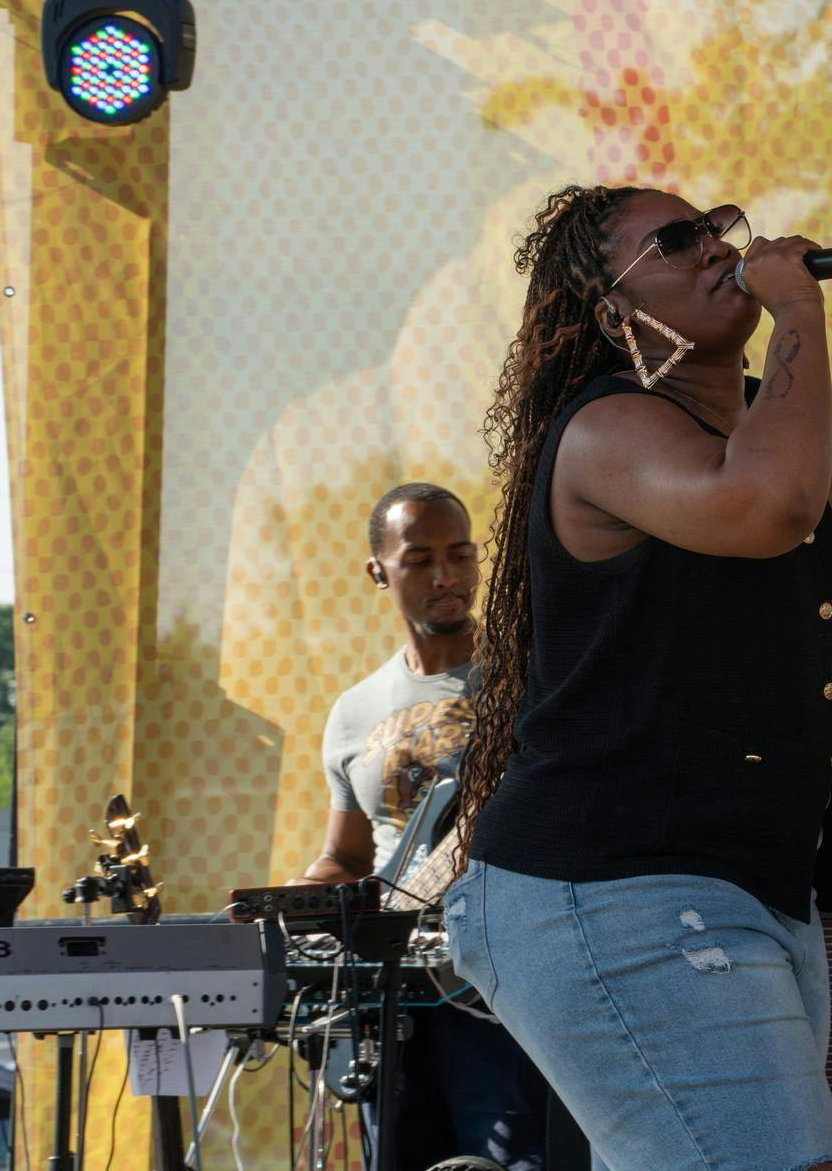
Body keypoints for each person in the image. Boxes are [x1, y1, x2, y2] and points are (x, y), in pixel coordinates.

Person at [445, 185, 832, 1171]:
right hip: (611, 884)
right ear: (615, 313)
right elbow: (769, 505)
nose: (719, 247)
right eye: (676, 242)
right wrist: (799, 311)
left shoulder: (759, 419)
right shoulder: (607, 431)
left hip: (730, 882)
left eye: (717, 225)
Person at [293, 482, 547, 1171]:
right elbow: (345, 855)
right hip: (392, 989)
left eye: (461, 554)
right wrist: (293, 901)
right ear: (378, 570)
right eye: (421, 558)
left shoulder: (529, 676)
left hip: (501, 983)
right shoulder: (353, 710)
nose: (447, 576)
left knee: (514, 1158)